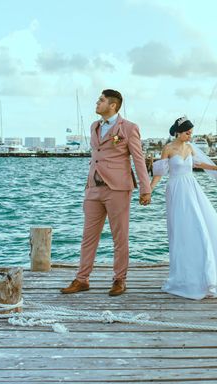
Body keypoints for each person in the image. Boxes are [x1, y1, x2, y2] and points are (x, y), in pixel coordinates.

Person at [150, 117, 217, 299]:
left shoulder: (190, 147)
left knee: (201, 226)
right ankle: (185, 275)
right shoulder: (168, 149)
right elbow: (159, 173)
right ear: (178, 132)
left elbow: (199, 164)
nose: (190, 135)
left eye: (191, 133)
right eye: (188, 132)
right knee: (181, 230)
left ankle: (209, 273)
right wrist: (149, 190)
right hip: (176, 190)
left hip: (191, 188)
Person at [61, 89, 151, 297]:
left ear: (113, 105)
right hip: (93, 187)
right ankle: (82, 279)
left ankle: (120, 279)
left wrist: (145, 189)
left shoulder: (129, 128)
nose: (97, 103)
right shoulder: (94, 126)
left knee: (120, 237)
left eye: (100, 100)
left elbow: (138, 159)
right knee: (88, 236)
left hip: (118, 189)